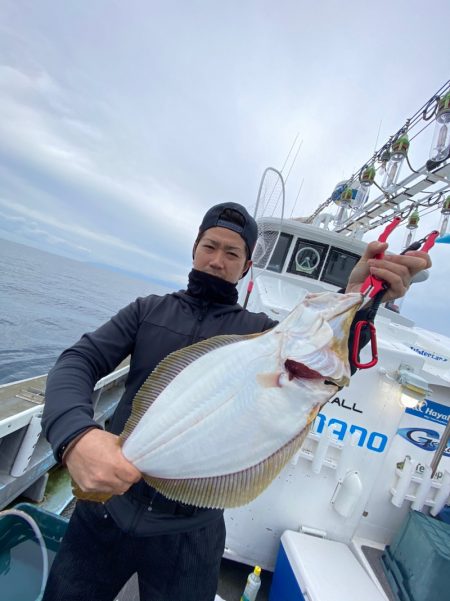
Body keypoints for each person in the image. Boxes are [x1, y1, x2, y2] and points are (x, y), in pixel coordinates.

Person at [41, 202, 431, 601]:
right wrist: (76, 436)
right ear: (194, 250)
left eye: (232, 253)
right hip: (106, 508)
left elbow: (325, 355)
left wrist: (363, 299)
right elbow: (78, 360)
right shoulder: (147, 311)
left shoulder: (262, 334)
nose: (217, 260)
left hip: (191, 531)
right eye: (210, 246)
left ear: (246, 267)